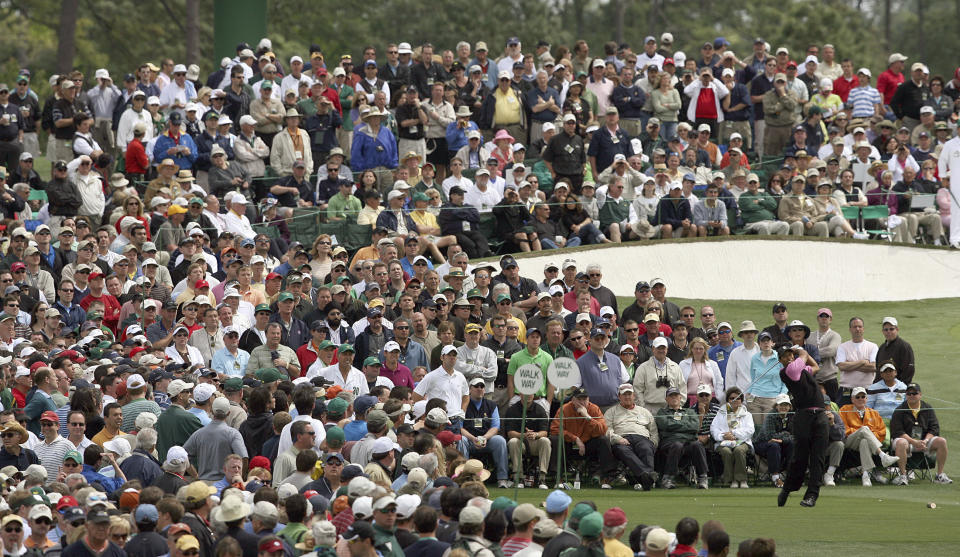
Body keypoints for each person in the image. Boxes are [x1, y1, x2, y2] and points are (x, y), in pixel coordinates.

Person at [548, 386, 619, 489]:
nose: (582, 402)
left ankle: (607, 477)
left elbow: (602, 430)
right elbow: (555, 429)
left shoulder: (594, 409)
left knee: (603, 440)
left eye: (584, 399)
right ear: (573, 400)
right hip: (568, 445)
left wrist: (588, 417)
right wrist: (575, 438)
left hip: (588, 444)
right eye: (579, 399)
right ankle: (557, 477)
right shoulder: (564, 409)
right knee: (555, 439)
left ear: (588, 400)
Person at [889, 383, 952, 485]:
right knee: (900, 443)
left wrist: (925, 441)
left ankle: (940, 475)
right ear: (906, 395)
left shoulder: (927, 408)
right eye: (909, 393)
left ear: (920, 394)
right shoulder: (900, 410)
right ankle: (903, 476)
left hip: (924, 441)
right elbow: (897, 431)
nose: (912, 395)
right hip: (907, 442)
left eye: (915, 393)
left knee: (941, 441)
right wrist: (914, 442)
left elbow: (934, 428)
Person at [838, 386, 901, 486]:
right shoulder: (844, 409)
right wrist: (861, 431)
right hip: (849, 440)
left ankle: (866, 476)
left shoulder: (874, 413)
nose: (860, 399)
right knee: (864, 429)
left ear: (866, 399)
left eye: (863, 396)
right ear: (852, 399)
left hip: (867, 442)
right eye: (857, 397)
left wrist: (868, 435)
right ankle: (882, 455)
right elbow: (843, 429)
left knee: (865, 441)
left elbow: (881, 432)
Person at [604, 383, 658, 491]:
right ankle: (647, 478)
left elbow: (653, 431)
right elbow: (606, 430)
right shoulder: (611, 412)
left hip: (642, 438)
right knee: (624, 451)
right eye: (624, 395)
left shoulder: (644, 411)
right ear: (619, 396)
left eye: (629, 394)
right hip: (622, 439)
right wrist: (617, 439)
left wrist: (653, 443)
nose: (627, 397)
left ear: (634, 396)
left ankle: (645, 478)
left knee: (646, 448)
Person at [655, 387, 710, 489]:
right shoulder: (662, 412)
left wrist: (675, 425)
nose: (674, 398)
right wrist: (685, 426)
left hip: (688, 443)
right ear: (666, 399)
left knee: (697, 445)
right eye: (671, 396)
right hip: (669, 442)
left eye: (676, 395)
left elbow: (694, 427)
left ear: (680, 398)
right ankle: (668, 478)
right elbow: (665, 425)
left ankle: (703, 478)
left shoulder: (689, 412)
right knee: (677, 445)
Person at [710, 386, 754, 488]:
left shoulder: (747, 415)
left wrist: (734, 433)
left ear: (741, 400)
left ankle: (741, 479)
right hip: (724, 442)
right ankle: (729, 480)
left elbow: (750, 430)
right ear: (727, 400)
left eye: (737, 398)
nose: (735, 400)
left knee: (739, 450)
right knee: (726, 451)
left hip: (742, 442)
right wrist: (723, 436)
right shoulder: (720, 413)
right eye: (731, 398)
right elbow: (714, 429)